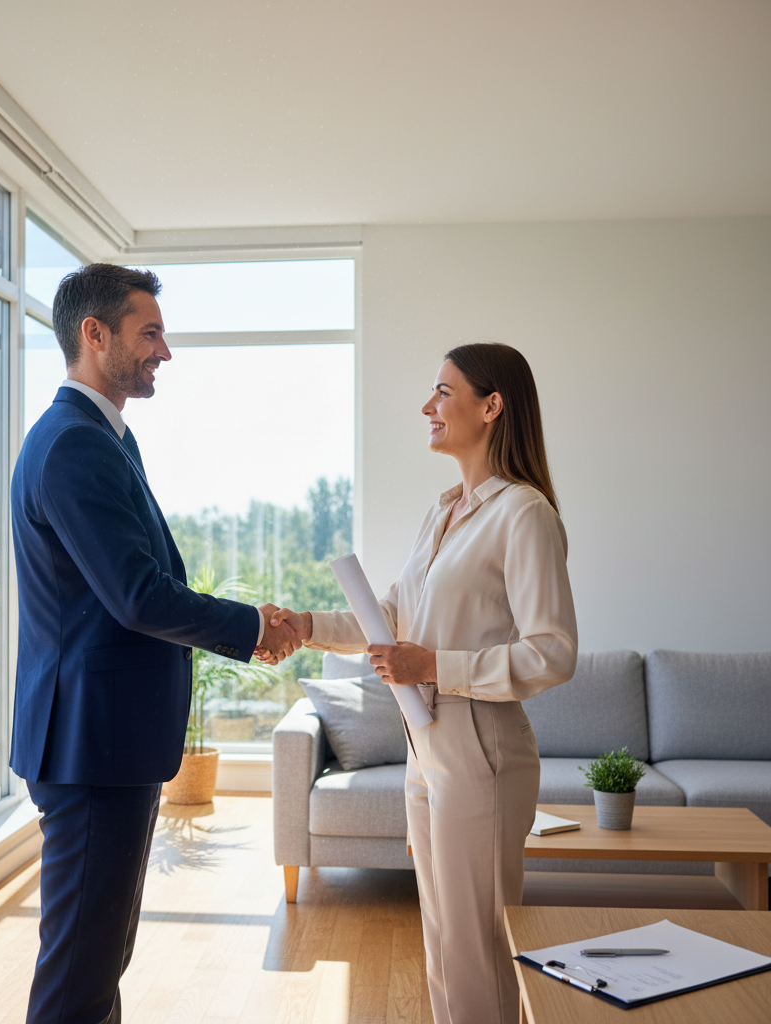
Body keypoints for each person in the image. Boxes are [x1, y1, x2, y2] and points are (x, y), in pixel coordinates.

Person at [10, 263, 301, 1024]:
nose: (164, 352)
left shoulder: (99, 438)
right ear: (93, 334)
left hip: (100, 741)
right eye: (150, 333)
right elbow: (137, 595)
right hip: (92, 745)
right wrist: (254, 628)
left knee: (96, 959)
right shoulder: (75, 444)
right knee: (81, 971)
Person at [267, 343, 577, 1024]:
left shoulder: (524, 515)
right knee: (440, 941)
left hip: (483, 752)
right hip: (426, 749)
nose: (427, 406)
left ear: (491, 407)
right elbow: (391, 617)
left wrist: (434, 666)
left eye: (444, 391)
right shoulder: (442, 513)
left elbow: (553, 653)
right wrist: (303, 625)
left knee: (477, 950)